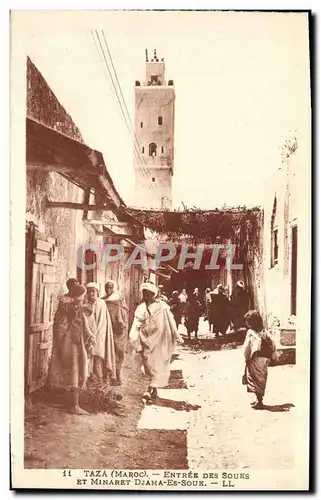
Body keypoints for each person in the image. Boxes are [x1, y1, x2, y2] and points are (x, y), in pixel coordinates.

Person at [129, 282, 183, 404]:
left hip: (160, 340)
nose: (145, 296)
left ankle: (149, 389)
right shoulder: (141, 308)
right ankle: (153, 389)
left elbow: (171, 322)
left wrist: (176, 335)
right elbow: (136, 324)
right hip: (146, 340)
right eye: (144, 294)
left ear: (153, 295)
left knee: (157, 365)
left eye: (148, 294)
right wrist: (134, 338)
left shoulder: (162, 307)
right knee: (148, 365)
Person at [48, 282, 95, 414]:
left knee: (70, 372)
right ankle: (74, 406)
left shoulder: (70, 307)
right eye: (81, 297)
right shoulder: (72, 308)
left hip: (69, 342)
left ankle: (69, 403)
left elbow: (82, 323)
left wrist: (88, 334)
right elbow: (67, 325)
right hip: (72, 344)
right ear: (77, 297)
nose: (82, 300)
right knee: (76, 370)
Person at [243, 310, 278, 409]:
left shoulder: (250, 332)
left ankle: (259, 401)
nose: (246, 323)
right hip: (264, 359)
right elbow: (272, 343)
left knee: (254, 379)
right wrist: (273, 356)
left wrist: (246, 357)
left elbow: (247, 347)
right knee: (261, 379)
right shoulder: (263, 331)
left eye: (247, 321)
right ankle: (259, 399)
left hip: (255, 359)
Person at [85, 282, 116, 383]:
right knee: (88, 357)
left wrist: (95, 335)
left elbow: (102, 322)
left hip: (99, 334)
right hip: (87, 335)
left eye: (93, 291)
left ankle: (100, 380)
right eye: (89, 292)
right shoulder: (85, 303)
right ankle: (89, 378)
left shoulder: (101, 303)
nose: (91, 294)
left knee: (98, 356)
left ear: (97, 292)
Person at [103, 280, 129, 386]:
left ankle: (118, 377)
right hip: (108, 331)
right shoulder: (103, 300)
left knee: (118, 353)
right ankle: (110, 377)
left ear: (113, 288)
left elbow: (124, 314)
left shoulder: (119, 300)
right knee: (108, 353)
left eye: (110, 287)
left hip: (119, 331)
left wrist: (120, 324)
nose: (108, 290)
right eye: (107, 288)